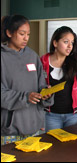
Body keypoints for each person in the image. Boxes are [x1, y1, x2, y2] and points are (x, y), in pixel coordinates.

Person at [1, 14, 53, 145]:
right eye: (22, 34)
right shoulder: (2, 58)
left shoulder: (32, 56)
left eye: (28, 34)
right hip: (9, 130)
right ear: (9, 33)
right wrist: (25, 97)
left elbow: (41, 84)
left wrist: (45, 93)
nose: (26, 38)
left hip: (33, 127)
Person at [40, 26, 77, 132]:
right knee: (53, 146)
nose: (70, 46)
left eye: (72, 43)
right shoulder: (43, 61)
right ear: (55, 43)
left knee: (73, 147)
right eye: (66, 42)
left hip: (74, 115)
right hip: (51, 115)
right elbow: (35, 86)